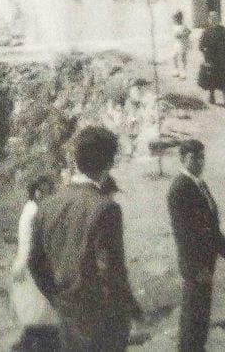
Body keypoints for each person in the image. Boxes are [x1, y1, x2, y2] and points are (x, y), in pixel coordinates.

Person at [29, 125, 144, 352]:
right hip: (102, 323)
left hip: (67, 316)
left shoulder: (47, 206)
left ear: (77, 159)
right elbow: (110, 270)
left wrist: (57, 299)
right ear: (109, 164)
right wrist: (129, 310)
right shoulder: (106, 208)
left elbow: (35, 263)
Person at [167, 139, 225, 352]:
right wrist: (197, 268)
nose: (199, 162)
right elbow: (183, 235)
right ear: (183, 159)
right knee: (193, 316)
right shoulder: (180, 188)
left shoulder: (199, 184)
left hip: (205, 262)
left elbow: (210, 222)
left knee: (201, 313)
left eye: (202, 157)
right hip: (195, 266)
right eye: (194, 158)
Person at [12, 174, 60, 352]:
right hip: (31, 266)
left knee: (37, 315)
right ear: (38, 192)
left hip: (29, 264)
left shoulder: (32, 210)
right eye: (46, 190)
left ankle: (28, 344)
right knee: (40, 314)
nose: (49, 194)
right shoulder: (33, 212)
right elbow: (28, 243)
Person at [198, 11, 225, 108]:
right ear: (209, 20)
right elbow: (201, 46)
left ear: (218, 19)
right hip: (211, 58)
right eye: (211, 18)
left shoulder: (223, 30)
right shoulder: (206, 31)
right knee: (212, 79)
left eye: (215, 18)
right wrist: (205, 57)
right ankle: (212, 96)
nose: (213, 20)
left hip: (224, 58)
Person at [172, 12, 192, 78]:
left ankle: (183, 71)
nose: (175, 20)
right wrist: (182, 34)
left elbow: (189, 31)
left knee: (182, 57)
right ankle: (176, 70)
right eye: (174, 19)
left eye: (176, 19)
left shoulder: (184, 26)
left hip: (182, 44)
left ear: (180, 19)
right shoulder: (174, 26)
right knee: (174, 56)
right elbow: (176, 35)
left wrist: (185, 33)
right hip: (176, 44)